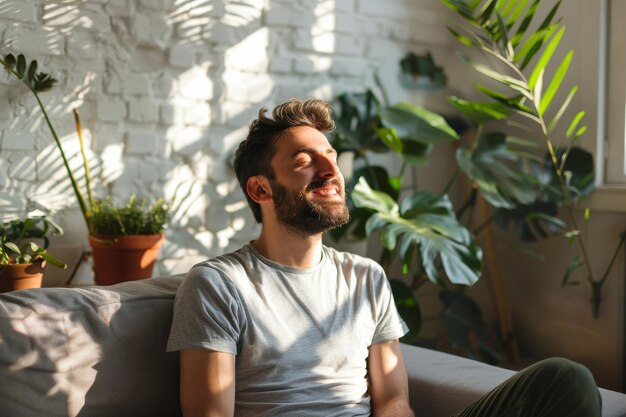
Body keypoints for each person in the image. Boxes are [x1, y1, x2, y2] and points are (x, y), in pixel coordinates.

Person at [167, 98, 602, 417]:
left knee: (566, 380)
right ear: (261, 189)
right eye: (305, 160)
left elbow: (393, 401)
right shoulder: (218, 284)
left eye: (331, 156)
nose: (330, 170)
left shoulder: (365, 277)